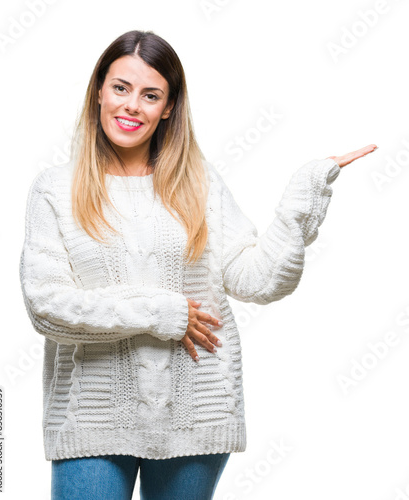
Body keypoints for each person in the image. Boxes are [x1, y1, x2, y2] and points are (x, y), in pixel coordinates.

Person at [19, 29, 377, 500]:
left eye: (151, 95)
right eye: (121, 88)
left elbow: (256, 279)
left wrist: (301, 202)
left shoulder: (198, 182)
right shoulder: (55, 189)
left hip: (196, 408)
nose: (132, 106)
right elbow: (47, 307)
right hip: (92, 417)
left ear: (168, 107)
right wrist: (165, 313)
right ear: (99, 91)